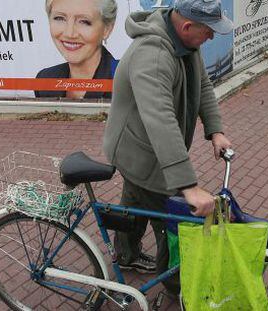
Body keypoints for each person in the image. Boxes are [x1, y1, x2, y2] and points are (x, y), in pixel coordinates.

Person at [103, 0, 233, 294]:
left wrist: (215, 129)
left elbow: (203, 86)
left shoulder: (186, 44)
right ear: (187, 26)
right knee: (172, 224)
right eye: (209, 31)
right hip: (139, 152)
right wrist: (187, 185)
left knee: (135, 201)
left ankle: (125, 254)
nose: (211, 37)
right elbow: (160, 120)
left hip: (145, 148)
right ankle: (176, 284)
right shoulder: (153, 57)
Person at [35, 0, 118, 99]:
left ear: (107, 29)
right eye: (60, 18)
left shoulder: (128, 82)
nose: (69, 34)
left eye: (84, 21)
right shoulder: (45, 79)